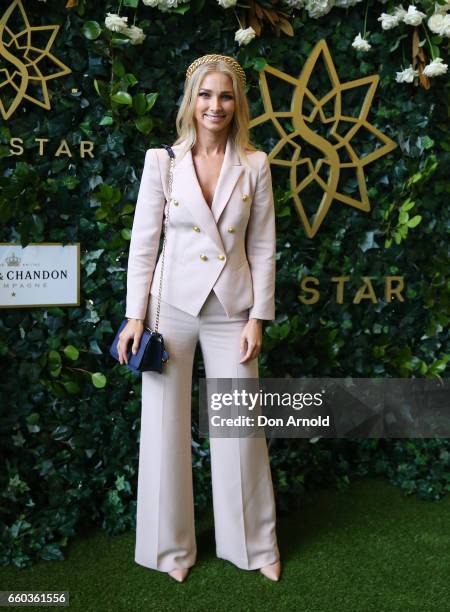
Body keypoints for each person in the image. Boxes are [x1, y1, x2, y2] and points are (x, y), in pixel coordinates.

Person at [116, 54, 281, 583]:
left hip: (232, 310)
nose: (216, 105)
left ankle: (254, 547)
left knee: (240, 429)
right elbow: (144, 246)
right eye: (206, 95)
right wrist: (134, 316)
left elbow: (263, 246)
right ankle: (170, 551)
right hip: (172, 310)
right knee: (163, 429)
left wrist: (258, 318)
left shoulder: (255, 164)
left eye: (226, 95)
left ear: (238, 104)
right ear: (192, 101)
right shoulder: (161, 162)